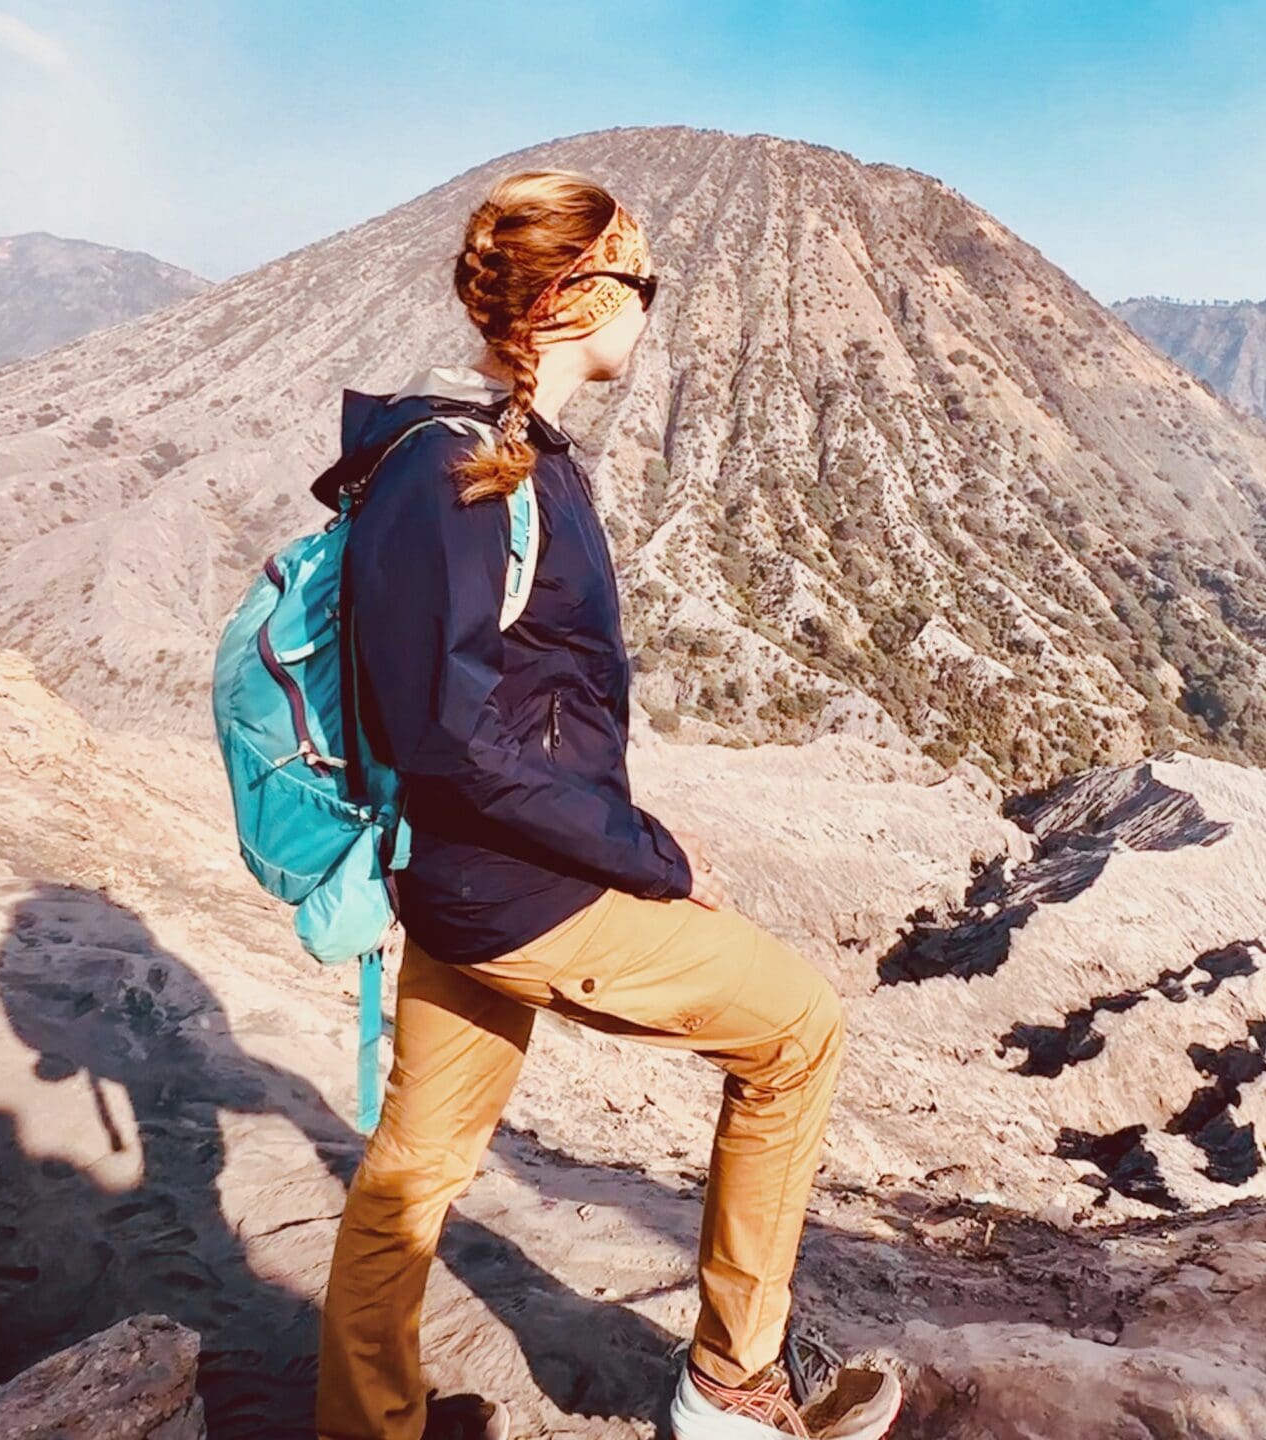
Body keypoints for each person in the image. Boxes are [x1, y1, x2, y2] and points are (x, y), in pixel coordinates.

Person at [313, 170, 903, 1440]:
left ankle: (366, 1425)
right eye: (643, 285)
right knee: (796, 1028)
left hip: (477, 877)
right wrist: (647, 857)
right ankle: (731, 1387)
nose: (652, 313)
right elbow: (445, 735)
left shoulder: (515, 458)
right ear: (580, 294)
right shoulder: (454, 468)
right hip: (516, 882)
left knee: (414, 1169)